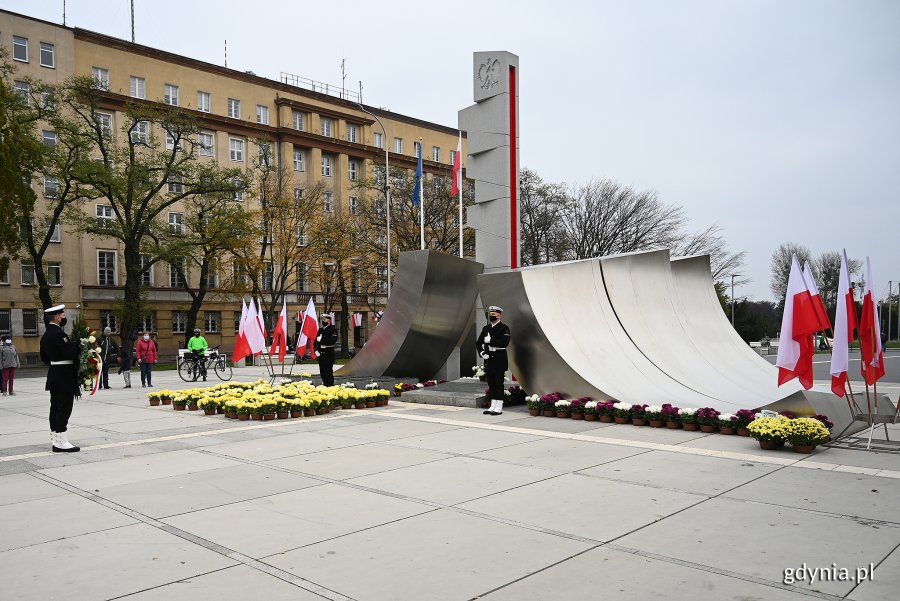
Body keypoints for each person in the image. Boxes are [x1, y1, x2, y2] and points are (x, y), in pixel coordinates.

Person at [39, 305, 81, 452]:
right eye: (63, 315)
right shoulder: (58, 334)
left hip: (54, 373)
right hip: (64, 375)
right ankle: (61, 442)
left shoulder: (45, 335)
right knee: (64, 408)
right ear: (57, 317)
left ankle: (56, 439)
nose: (64, 317)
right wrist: (79, 345)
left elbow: (44, 357)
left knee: (55, 407)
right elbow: (69, 352)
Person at [477, 305, 511, 416]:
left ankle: (499, 407)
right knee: (491, 384)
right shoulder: (486, 328)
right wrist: (482, 353)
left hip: (499, 358)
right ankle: (493, 405)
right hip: (488, 359)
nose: (491, 316)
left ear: (499, 315)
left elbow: (504, 343)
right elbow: (479, 343)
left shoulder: (504, 328)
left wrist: (491, 341)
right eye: (490, 314)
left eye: (494, 314)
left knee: (498, 383)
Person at [315, 314, 338, 386]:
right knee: (322, 372)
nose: (323, 321)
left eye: (324, 319)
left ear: (329, 320)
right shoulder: (320, 330)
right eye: (322, 320)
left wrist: (321, 340)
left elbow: (332, 341)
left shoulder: (332, 329)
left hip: (328, 354)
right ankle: (325, 385)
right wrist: (316, 349)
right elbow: (316, 341)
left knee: (328, 371)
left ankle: (330, 386)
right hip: (321, 354)